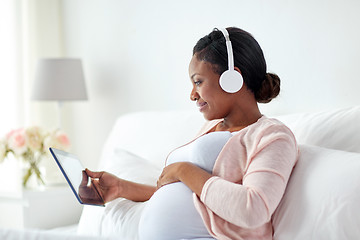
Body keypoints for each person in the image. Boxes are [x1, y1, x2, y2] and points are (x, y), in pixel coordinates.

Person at [83, 27, 298, 240]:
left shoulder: (272, 135)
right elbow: (196, 197)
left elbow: (253, 210)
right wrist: (120, 188)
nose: (192, 95)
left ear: (232, 78)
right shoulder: (210, 128)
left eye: (198, 82)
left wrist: (183, 170)